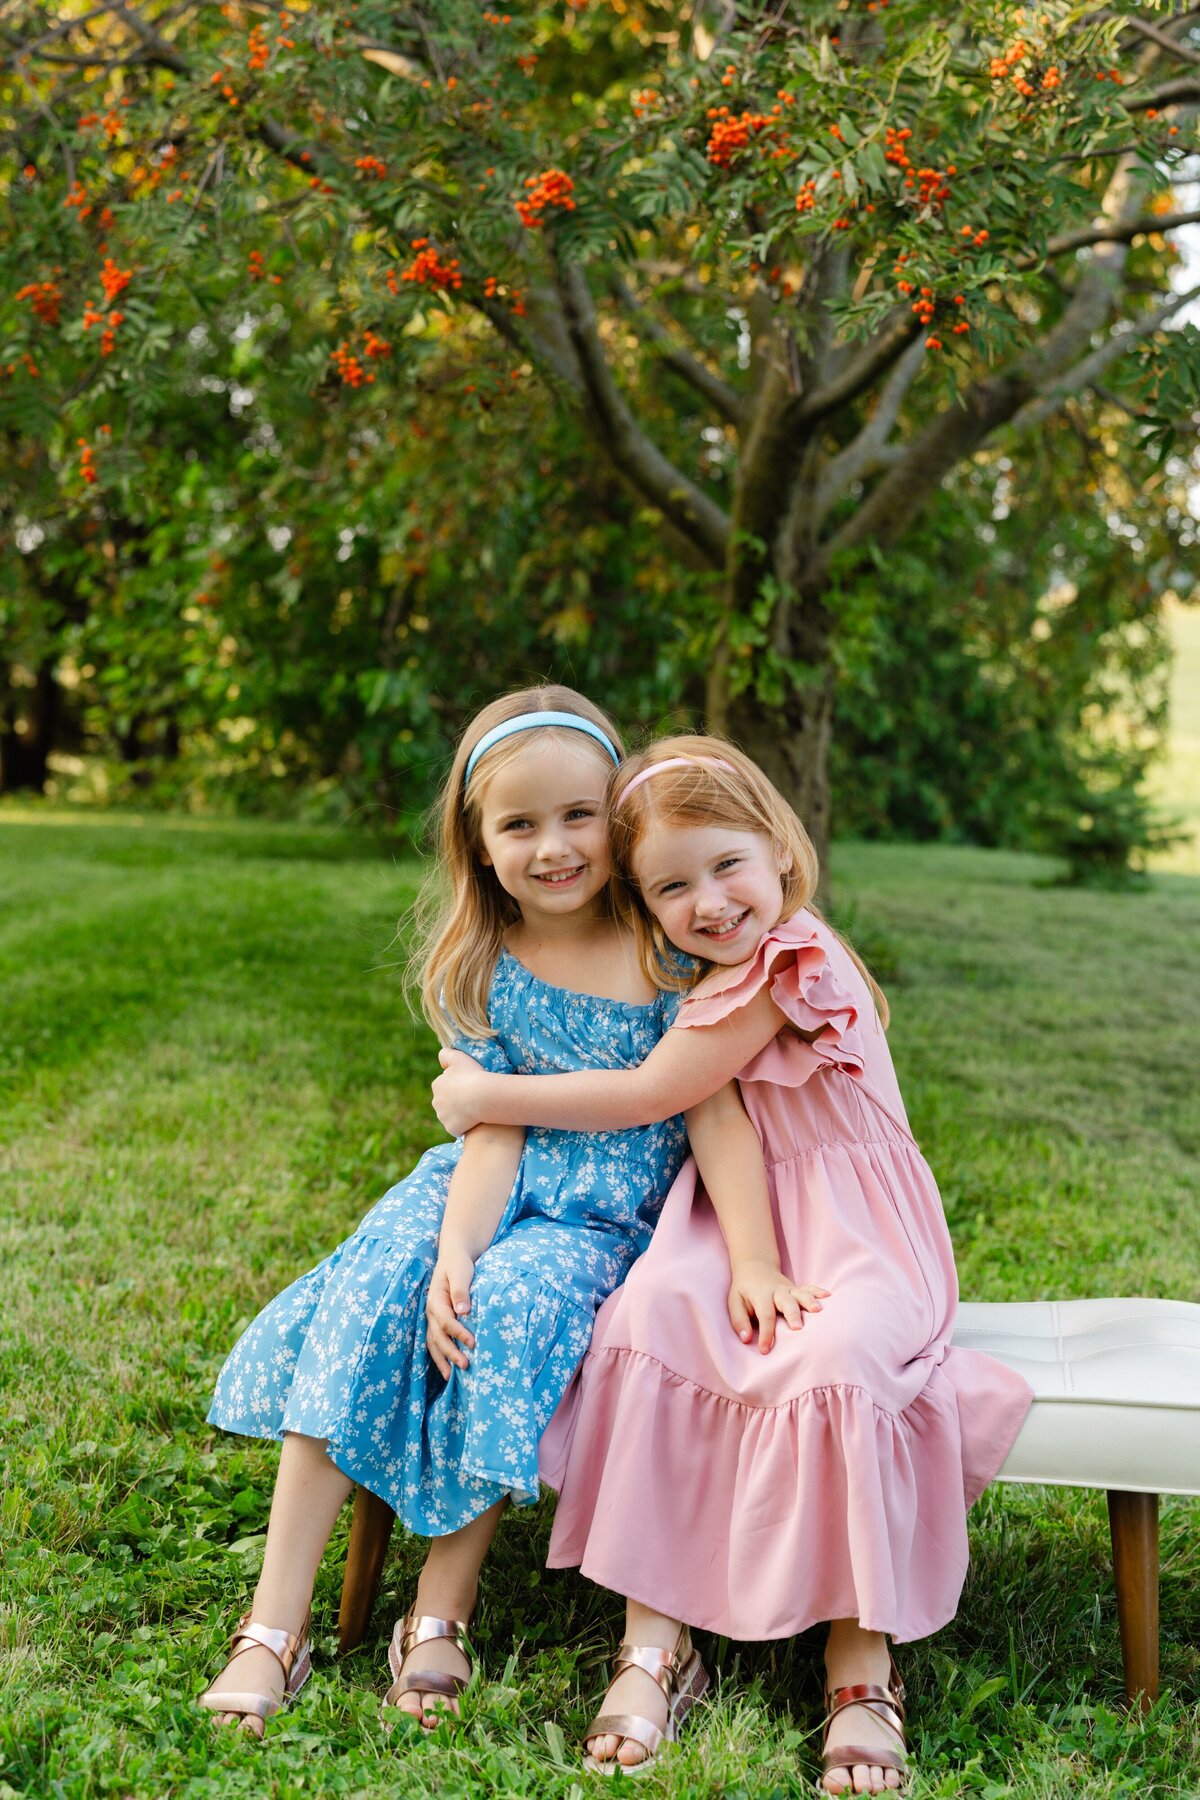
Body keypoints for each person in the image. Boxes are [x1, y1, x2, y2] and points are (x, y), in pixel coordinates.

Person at [430, 735, 1034, 1793]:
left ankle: (860, 1660)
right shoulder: (704, 974)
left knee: (836, 1351)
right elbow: (708, 1117)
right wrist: (745, 1257)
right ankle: (655, 1645)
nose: (709, 901)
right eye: (672, 884)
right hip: (735, 1216)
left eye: (727, 865)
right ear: (641, 899)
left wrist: (488, 1098)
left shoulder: (788, 954)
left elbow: (653, 1091)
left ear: (778, 847)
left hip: (858, 1229)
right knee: (652, 1315)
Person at [198, 691, 772, 1738]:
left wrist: (752, 1253)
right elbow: (489, 1133)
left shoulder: (667, 944)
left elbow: (714, 1111)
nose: (553, 847)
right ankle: (273, 1623)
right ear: (478, 840)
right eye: (519, 825)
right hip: (477, 1183)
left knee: (506, 1306)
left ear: (620, 819)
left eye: (579, 816)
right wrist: (454, 1247)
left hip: (593, 1222)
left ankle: (440, 1610)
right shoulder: (480, 961)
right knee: (382, 1285)